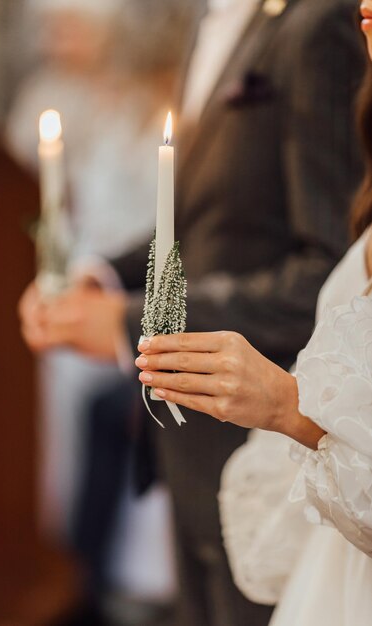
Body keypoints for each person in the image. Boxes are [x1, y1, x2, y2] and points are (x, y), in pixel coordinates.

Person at [19, 1, 364, 624]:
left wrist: (134, 322)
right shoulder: (217, 24)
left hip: (273, 451)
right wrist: (98, 278)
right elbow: (196, 220)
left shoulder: (321, 25)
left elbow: (329, 271)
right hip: (187, 440)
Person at [134, 3, 372, 624]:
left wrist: (288, 407)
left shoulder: (318, 26)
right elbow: (193, 217)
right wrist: (109, 286)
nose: (363, 8)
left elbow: (310, 269)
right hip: (308, 531)